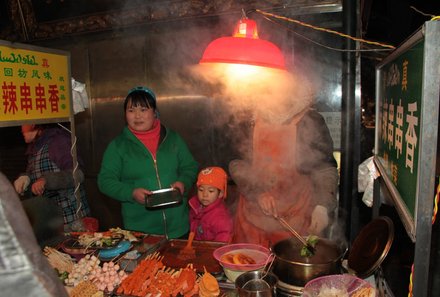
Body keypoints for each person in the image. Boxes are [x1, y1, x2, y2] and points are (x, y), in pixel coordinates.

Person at [229, 73, 339, 248]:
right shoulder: (247, 118)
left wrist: (322, 206)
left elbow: (324, 168)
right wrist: (257, 192)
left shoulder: (310, 120)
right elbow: (237, 163)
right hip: (252, 219)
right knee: (247, 266)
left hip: (297, 217)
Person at [97, 86, 199, 239]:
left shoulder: (173, 139)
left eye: (143, 109)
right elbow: (105, 181)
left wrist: (183, 182)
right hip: (141, 232)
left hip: (179, 227)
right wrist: (131, 193)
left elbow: (190, 167)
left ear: (154, 112)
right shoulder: (118, 146)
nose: (137, 116)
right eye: (131, 110)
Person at [0, 171, 68, 297]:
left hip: (65, 215)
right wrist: (25, 177)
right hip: (43, 223)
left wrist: (47, 180)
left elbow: (76, 175)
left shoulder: (61, 150)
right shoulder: (32, 152)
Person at [13, 123, 91, 231]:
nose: (21, 129)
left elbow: (78, 174)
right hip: (51, 219)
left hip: (71, 217)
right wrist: (25, 179)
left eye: (23, 124)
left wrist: (46, 180)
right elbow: (36, 174)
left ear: (33, 124)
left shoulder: (58, 141)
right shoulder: (34, 148)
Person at [189, 166, 233, 243]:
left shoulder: (220, 217)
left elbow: (223, 239)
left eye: (211, 191)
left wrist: (212, 252)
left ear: (220, 194)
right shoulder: (196, 206)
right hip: (198, 245)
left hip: (210, 251)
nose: (205, 194)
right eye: (201, 190)